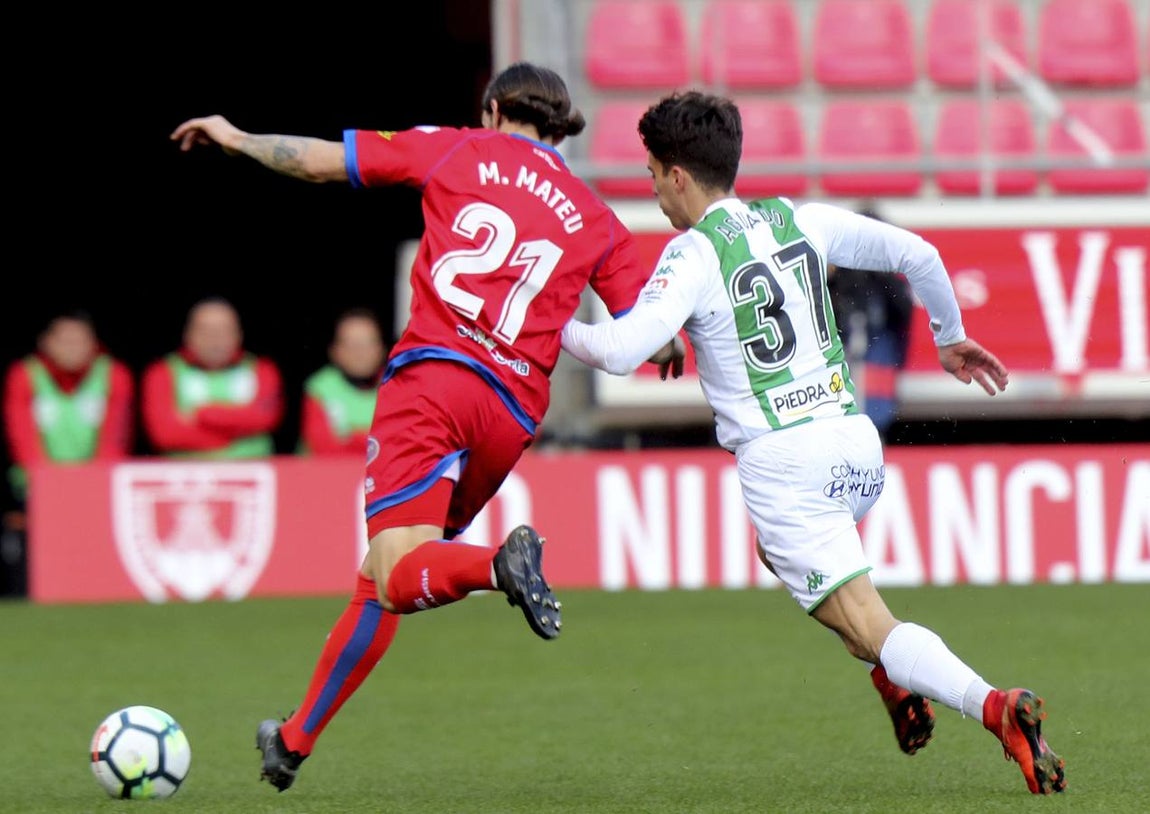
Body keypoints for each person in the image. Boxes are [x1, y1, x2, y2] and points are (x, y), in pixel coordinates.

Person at [170, 61, 672, 792]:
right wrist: (675, 342)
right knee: (383, 575)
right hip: (510, 415)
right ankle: (294, 739)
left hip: (433, 385)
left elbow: (316, 164)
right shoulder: (595, 217)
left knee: (402, 573)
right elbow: (649, 333)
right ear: (559, 128)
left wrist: (238, 137)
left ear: (496, 110)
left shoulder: (458, 147)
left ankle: (496, 566)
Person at [560, 91, 1066, 796]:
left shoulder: (694, 252)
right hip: (855, 444)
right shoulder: (800, 219)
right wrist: (949, 338)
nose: (652, 191)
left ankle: (993, 707)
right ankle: (892, 679)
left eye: (651, 175)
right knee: (791, 559)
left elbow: (618, 350)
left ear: (678, 175)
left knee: (868, 625)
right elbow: (918, 254)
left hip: (782, 460)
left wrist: (544, 322)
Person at [2, 308, 135, 596]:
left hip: (94, 488)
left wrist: (87, 489)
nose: (73, 347)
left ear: (93, 344)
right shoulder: (25, 375)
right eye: (65, 340)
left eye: (80, 340)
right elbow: (23, 442)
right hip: (37, 488)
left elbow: (114, 440)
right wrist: (52, 490)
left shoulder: (113, 374)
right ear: (46, 342)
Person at [141, 296, 285, 458]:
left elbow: (264, 417)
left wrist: (203, 415)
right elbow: (165, 433)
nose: (215, 340)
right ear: (188, 334)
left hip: (252, 473)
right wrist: (230, 437)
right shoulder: (163, 372)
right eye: (206, 331)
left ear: (239, 334)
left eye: (224, 330)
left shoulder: (262, 370)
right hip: (184, 476)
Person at [827, 205, 914, 441]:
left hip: (874, 373)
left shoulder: (887, 284)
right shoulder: (838, 281)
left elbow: (902, 319)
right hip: (843, 383)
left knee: (871, 433)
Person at [298, 307, 388, 457]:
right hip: (328, 477)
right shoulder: (319, 388)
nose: (360, 353)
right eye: (352, 345)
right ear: (335, 351)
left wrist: (351, 438)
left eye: (367, 344)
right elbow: (325, 449)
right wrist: (376, 439)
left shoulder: (399, 386)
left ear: (381, 349)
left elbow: (403, 443)